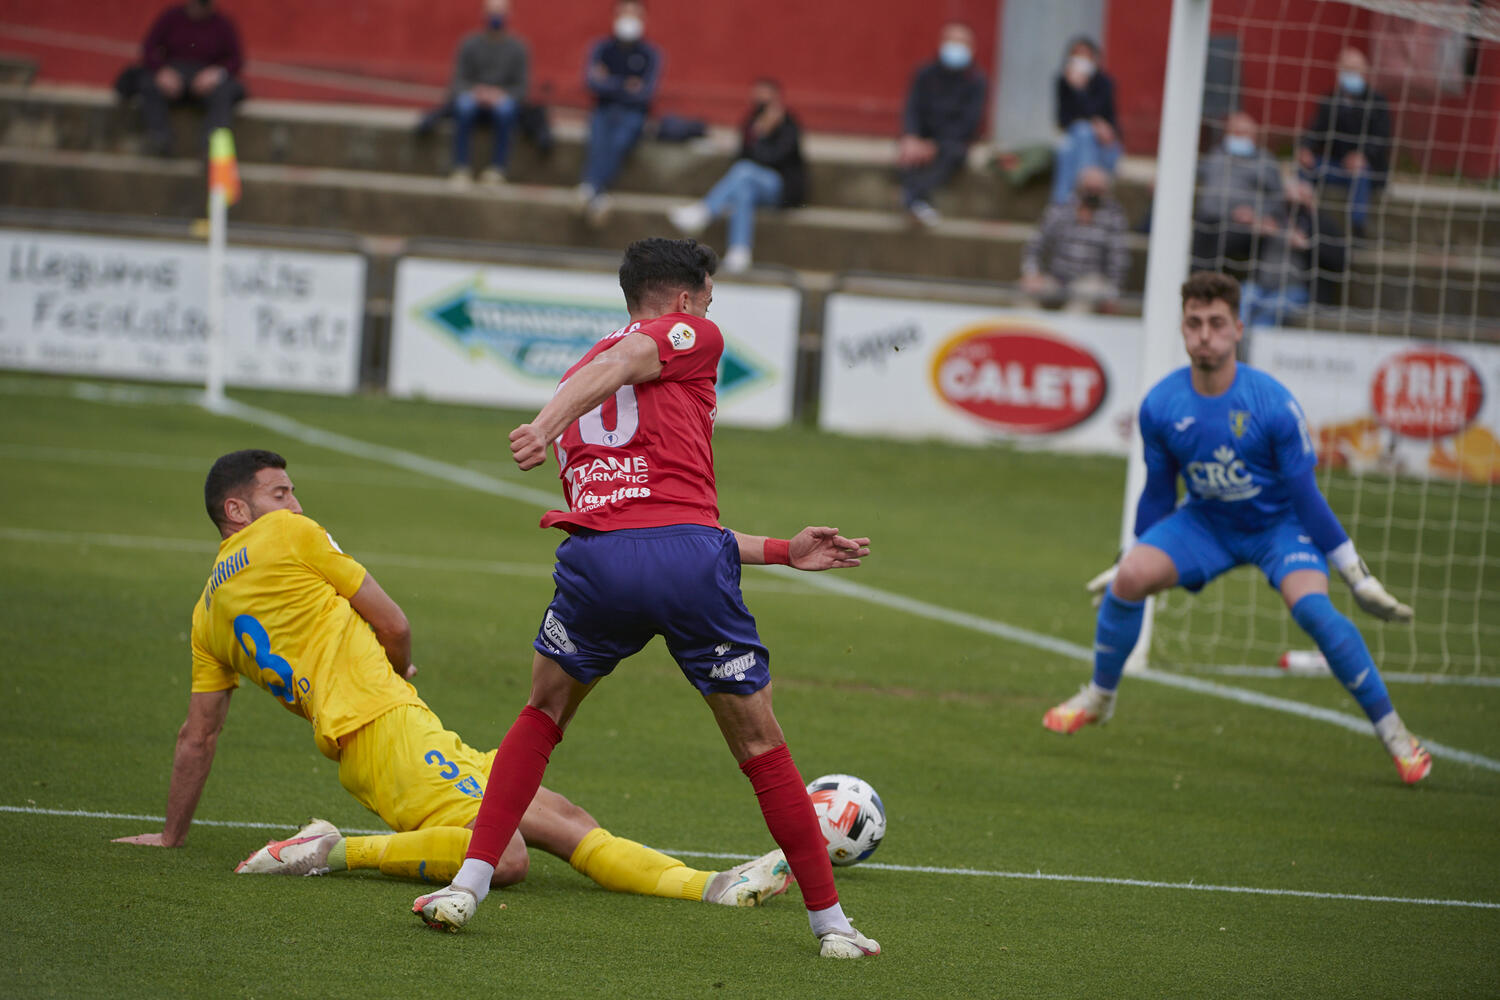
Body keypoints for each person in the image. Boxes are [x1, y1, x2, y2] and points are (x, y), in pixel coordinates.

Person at [409, 238, 881, 959]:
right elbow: (640, 397)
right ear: (685, 301)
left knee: (542, 712)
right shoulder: (684, 338)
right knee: (760, 743)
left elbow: (649, 515)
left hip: (601, 562)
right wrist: (542, 426)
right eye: (708, 301)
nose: (709, 316)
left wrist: (783, 550)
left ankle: (466, 886)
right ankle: (833, 927)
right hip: (687, 564)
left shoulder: (580, 372)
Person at [113, 449, 794, 912]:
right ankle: (331, 849)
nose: (294, 502)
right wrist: (396, 660)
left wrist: (172, 835)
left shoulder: (205, 613)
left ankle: (711, 887)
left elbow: (199, 734)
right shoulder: (286, 535)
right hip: (383, 730)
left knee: (559, 815)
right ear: (238, 510)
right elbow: (394, 621)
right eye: (279, 492)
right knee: (507, 856)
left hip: (384, 735)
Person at [1041, 271, 1432, 786]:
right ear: (1183, 329)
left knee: (1315, 611)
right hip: (1208, 522)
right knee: (1131, 579)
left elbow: (1305, 496)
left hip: (1278, 526)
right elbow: (1158, 493)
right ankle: (1099, 697)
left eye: (1216, 323)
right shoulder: (1161, 405)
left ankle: (1396, 735)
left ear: (1238, 329)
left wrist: (1356, 576)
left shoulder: (1272, 403)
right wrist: (1125, 558)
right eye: (1194, 323)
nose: (1205, 335)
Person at [667, 79, 806, 274]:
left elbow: (775, 158)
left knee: (745, 171)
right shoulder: (751, 123)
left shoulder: (788, 125)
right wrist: (756, 133)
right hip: (752, 186)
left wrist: (764, 134)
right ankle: (740, 252)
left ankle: (705, 211)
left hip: (780, 188)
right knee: (743, 190)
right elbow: (741, 155)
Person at [576, 0, 663, 224]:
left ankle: (591, 188)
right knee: (598, 140)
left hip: (633, 112)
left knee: (619, 141)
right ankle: (599, 195)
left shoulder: (650, 54)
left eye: (634, 14)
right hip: (603, 108)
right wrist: (626, 85)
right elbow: (591, 83)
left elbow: (646, 93)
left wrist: (610, 82)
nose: (629, 19)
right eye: (625, 13)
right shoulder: (601, 48)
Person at [896, 21, 987, 227]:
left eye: (961, 43)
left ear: (971, 48)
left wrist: (935, 145)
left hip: (951, 140)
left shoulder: (976, 80)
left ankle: (913, 199)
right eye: (951, 41)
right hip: (922, 136)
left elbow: (970, 122)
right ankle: (918, 202)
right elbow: (912, 108)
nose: (955, 48)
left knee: (952, 154)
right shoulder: (925, 73)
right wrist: (912, 136)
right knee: (907, 154)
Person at [1297, 47, 1392, 237]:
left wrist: (1362, 156)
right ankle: (1302, 221)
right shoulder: (1330, 101)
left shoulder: (1377, 102)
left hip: (1366, 169)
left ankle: (1357, 229)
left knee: (1360, 173)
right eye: (1347, 69)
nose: (1351, 74)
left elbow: (1382, 138)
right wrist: (1305, 149)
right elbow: (1315, 130)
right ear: (1338, 71)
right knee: (1304, 170)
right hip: (1336, 165)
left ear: (1365, 72)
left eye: (1355, 69)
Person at [137, 0, 245, 156]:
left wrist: (216, 74)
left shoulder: (223, 24)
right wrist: (161, 71)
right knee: (148, 83)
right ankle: (159, 139)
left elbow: (236, 59)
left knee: (226, 92)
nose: (198, 9)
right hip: (173, 75)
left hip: (207, 79)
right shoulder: (171, 17)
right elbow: (148, 49)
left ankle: (211, 148)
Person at [1239, 177, 1348, 330]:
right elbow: (1236, 248)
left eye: (1300, 197)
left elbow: (1340, 261)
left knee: (1270, 310)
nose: (1293, 205)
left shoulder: (1322, 225)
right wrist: (1251, 230)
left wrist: (1307, 246)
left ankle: (1253, 343)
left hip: (1296, 290)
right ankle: (1237, 340)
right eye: (1288, 199)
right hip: (1260, 287)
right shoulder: (1272, 219)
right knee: (1242, 298)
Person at [1019, 166, 1129, 312]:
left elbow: (1119, 260)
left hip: (1090, 281)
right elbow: (1035, 245)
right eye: (1089, 189)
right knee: (1023, 291)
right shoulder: (1060, 210)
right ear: (1079, 187)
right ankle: (1035, 325)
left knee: (1085, 296)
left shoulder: (1113, 217)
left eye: (1098, 190)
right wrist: (1032, 274)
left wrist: (1112, 292)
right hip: (1056, 278)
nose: (1093, 194)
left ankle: (1066, 327)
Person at [447, 0, 529, 187]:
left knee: (506, 110)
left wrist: (499, 95)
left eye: (500, 12)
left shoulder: (518, 48)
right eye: (492, 12)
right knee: (463, 106)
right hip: (473, 96)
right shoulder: (469, 43)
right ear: (484, 14)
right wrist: (477, 92)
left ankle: (497, 170)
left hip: (502, 99)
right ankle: (460, 168)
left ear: (508, 15)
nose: (496, 16)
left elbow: (522, 89)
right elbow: (457, 82)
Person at [1192, 110, 1285, 272]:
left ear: (1255, 136)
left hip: (1244, 225)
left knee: (1222, 240)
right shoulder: (1215, 156)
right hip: (1209, 218)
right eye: (1235, 132)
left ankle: (1206, 278)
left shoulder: (1265, 162)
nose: (1240, 138)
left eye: (1244, 133)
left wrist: (1256, 214)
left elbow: (1277, 199)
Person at [1050, 36, 1123, 205]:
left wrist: (1080, 90)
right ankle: (1072, 201)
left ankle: (1066, 203)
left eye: (1085, 56)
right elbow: (1063, 120)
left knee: (1071, 146)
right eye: (1076, 56)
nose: (1080, 61)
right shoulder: (1063, 83)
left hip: (1104, 146)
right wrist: (1077, 89)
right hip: (1077, 139)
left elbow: (1109, 125)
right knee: (1074, 140)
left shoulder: (1104, 83)